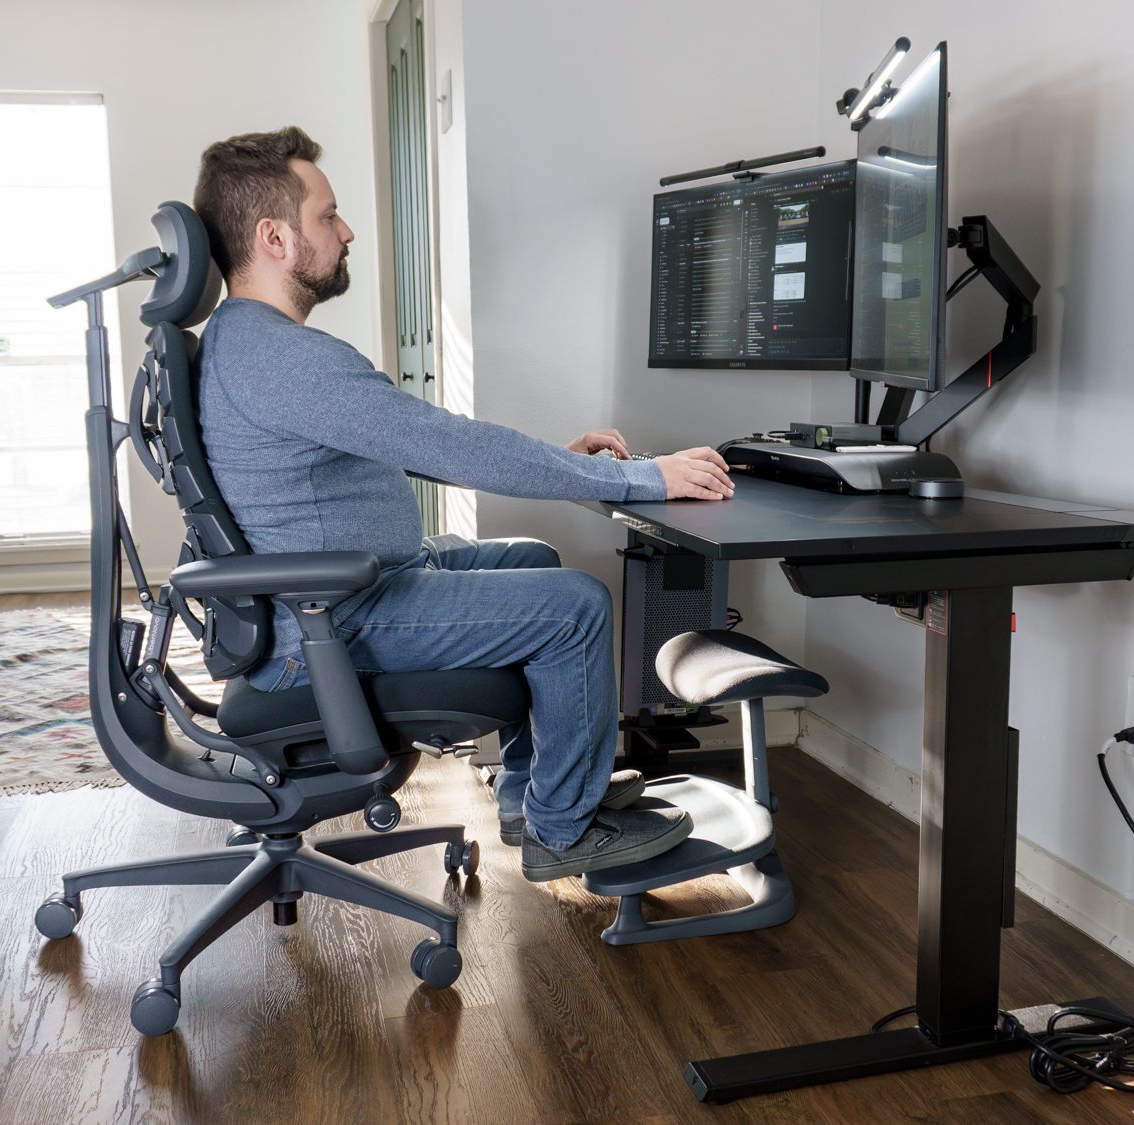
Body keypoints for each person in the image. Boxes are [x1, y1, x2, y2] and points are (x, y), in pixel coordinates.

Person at [192, 127, 735, 882]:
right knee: (575, 606)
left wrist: (560, 463)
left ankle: (531, 794)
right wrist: (643, 477)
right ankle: (561, 830)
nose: (346, 232)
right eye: (329, 216)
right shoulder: (283, 359)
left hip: (341, 589)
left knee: (533, 560)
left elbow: (418, 443)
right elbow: (448, 443)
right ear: (275, 237)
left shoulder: (241, 344)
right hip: (326, 620)